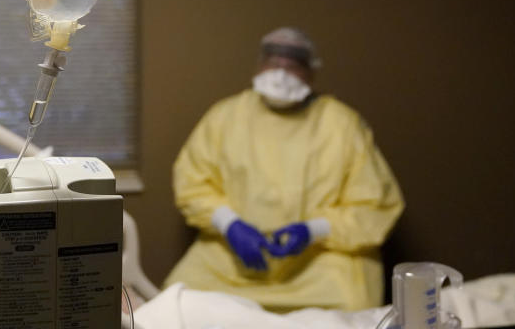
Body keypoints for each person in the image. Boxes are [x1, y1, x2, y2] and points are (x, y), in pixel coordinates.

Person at [163, 27, 404, 312]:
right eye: (273, 64)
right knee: (175, 303)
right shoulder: (225, 117)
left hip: (320, 263)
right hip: (230, 261)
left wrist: (314, 230)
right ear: (258, 66)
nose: (281, 73)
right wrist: (229, 224)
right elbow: (192, 183)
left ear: (311, 73)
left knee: (355, 307)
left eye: (293, 66)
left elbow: (376, 206)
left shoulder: (342, 125)